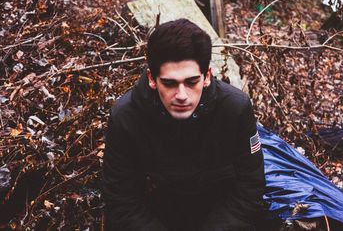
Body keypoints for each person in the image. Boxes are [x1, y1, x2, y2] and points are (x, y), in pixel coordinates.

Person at [103, 19, 266, 231]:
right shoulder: (125, 117)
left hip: (220, 214)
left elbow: (251, 187)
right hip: (154, 215)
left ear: (206, 77)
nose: (181, 96)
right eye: (169, 83)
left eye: (191, 82)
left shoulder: (235, 109)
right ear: (152, 79)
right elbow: (120, 198)